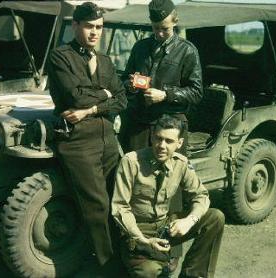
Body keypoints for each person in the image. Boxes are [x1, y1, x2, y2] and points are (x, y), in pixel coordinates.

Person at [47, 1, 127, 270]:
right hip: (78, 141)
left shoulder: (104, 60)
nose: (95, 32)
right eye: (90, 26)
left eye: (100, 27)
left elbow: (122, 99)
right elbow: (73, 96)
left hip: (107, 139)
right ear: (75, 26)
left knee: (119, 201)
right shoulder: (60, 57)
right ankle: (107, 266)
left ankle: (128, 257)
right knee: (97, 206)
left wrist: (92, 107)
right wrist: (104, 94)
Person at [112, 114, 224, 278]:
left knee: (215, 217)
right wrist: (143, 239)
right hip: (138, 231)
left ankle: (192, 274)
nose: (161, 146)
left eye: (169, 141)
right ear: (152, 137)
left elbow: (201, 195)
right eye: (158, 138)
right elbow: (120, 207)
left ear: (179, 143)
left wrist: (188, 221)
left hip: (165, 226)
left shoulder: (181, 163)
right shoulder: (131, 162)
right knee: (149, 272)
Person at [119, 0, 203, 155]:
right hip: (140, 125)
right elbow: (124, 80)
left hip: (171, 127)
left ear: (175, 22)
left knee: (170, 175)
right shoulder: (140, 47)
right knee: (136, 172)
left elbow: (196, 92)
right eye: (155, 28)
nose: (159, 33)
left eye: (165, 28)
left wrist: (165, 94)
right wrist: (130, 85)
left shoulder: (187, 51)